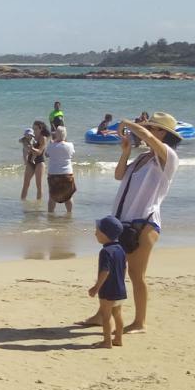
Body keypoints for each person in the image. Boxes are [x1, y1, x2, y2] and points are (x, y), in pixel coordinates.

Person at [80, 112, 181, 333]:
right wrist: (125, 153)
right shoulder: (144, 157)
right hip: (122, 221)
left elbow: (149, 138)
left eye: (152, 128)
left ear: (161, 132)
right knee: (112, 270)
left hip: (144, 223)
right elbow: (119, 175)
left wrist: (127, 124)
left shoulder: (168, 157)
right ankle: (101, 315)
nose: (147, 132)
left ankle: (140, 322)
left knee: (136, 274)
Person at [88, 215, 128, 349]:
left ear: (105, 234)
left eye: (97, 231)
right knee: (118, 314)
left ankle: (107, 342)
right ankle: (118, 339)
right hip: (120, 289)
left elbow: (105, 271)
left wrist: (96, 287)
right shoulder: (121, 249)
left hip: (109, 289)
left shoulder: (105, 252)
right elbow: (124, 268)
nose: (95, 234)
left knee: (106, 316)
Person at [45, 125, 76, 214]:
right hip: (67, 173)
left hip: (54, 174)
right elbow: (71, 154)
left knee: (52, 197)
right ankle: (69, 213)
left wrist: (53, 142)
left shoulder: (52, 146)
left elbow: (46, 155)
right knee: (68, 197)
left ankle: (50, 214)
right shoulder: (70, 145)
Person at [19, 121, 47, 200]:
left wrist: (31, 148)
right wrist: (25, 146)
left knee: (39, 185)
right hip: (30, 162)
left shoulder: (43, 138)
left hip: (40, 162)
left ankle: (38, 205)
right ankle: (22, 202)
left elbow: (39, 152)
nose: (34, 130)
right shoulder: (30, 136)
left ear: (40, 129)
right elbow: (22, 143)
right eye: (33, 128)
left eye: (36, 129)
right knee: (25, 184)